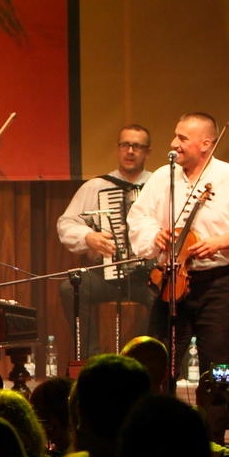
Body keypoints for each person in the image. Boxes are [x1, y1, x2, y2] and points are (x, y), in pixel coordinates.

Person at [128, 111, 229, 375]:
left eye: (182, 138)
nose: (174, 144)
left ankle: (221, 403)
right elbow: (138, 218)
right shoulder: (162, 177)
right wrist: (155, 234)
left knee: (221, 370)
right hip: (171, 284)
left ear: (205, 144)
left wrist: (220, 242)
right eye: (175, 136)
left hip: (220, 286)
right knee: (156, 365)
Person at [56, 124, 154, 358]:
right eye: (125, 145)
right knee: (71, 289)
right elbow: (66, 223)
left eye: (137, 146)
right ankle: (91, 358)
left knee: (169, 298)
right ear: (118, 149)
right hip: (107, 273)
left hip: (149, 275)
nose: (130, 151)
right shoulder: (96, 186)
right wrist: (88, 237)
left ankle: (150, 359)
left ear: (147, 152)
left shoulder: (157, 185)